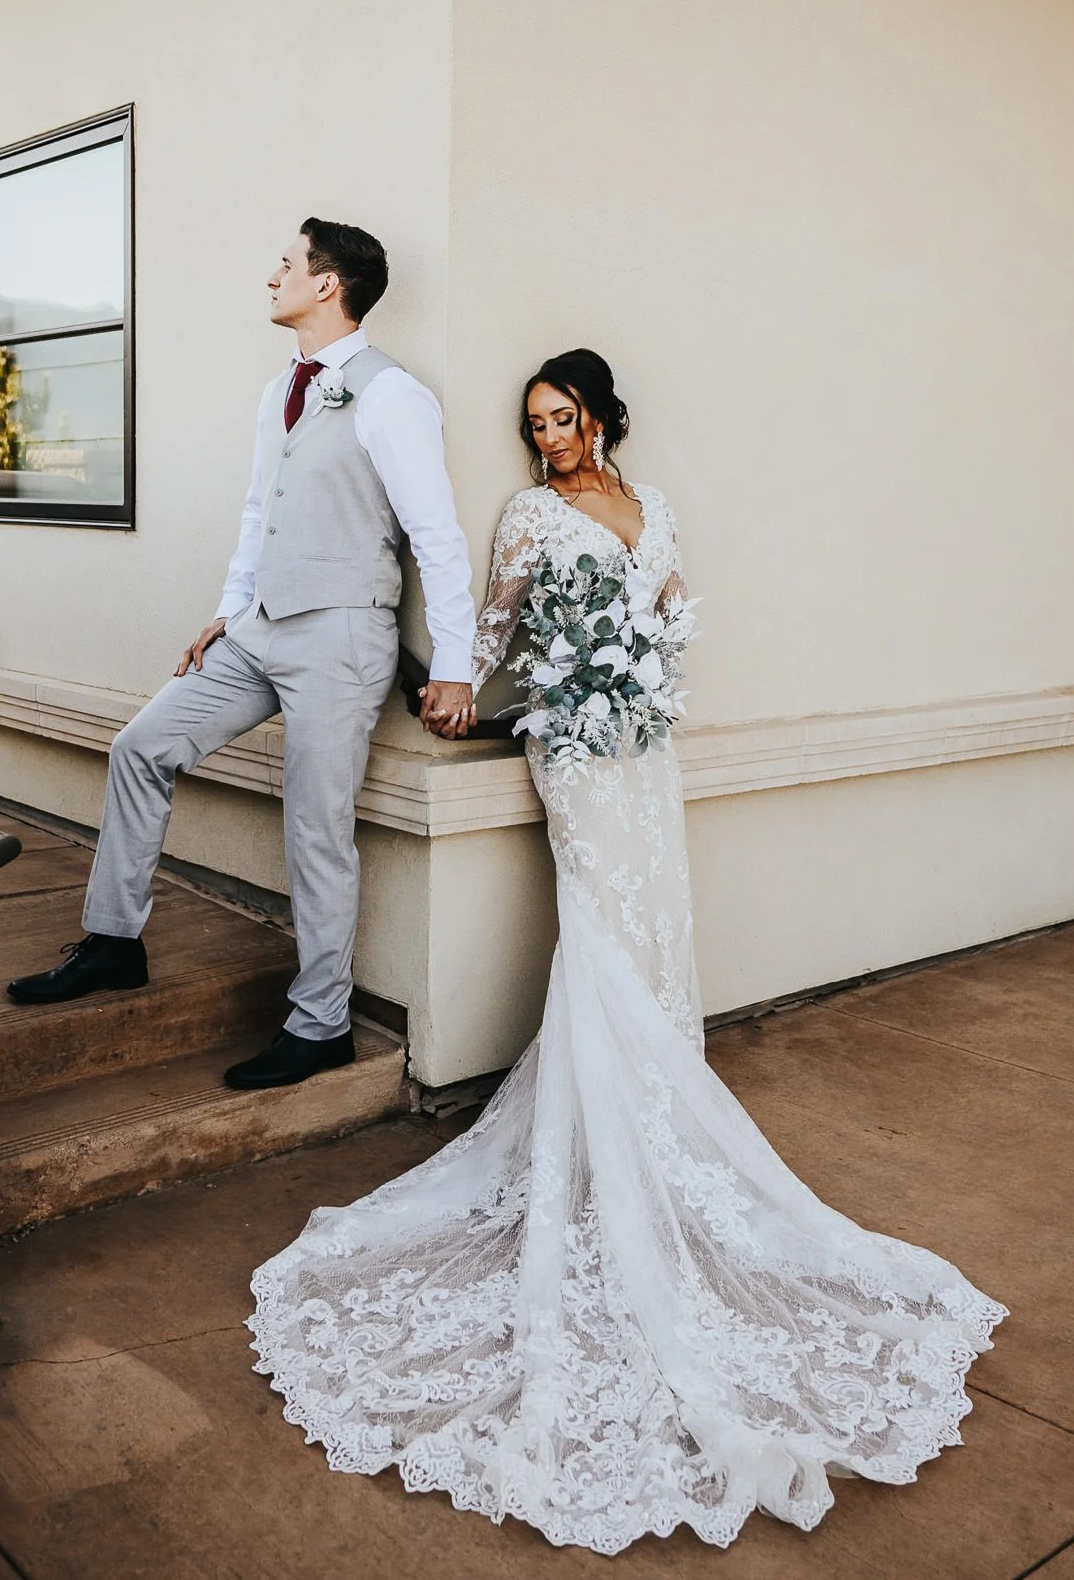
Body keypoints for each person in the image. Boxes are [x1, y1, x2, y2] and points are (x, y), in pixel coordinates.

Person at [246, 350, 1006, 1554]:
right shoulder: (528, 514)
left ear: (601, 416)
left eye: (562, 418)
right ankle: (602, 1147)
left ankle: (656, 1121)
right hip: (570, 752)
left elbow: (669, 619)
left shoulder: (654, 510)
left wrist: (640, 681)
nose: (546, 438)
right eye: (534, 423)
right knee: (599, 925)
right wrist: (455, 686)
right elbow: (492, 626)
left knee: (652, 927)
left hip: (643, 749)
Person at [5, 219, 479, 1090]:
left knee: (317, 831)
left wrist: (455, 665)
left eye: (288, 265)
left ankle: (321, 1024)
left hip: (341, 635)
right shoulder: (280, 394)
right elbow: (260, 510)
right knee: (141, 746)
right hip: (259, 625)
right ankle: (113, 942)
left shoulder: (389, 395)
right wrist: (229, 611)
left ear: (329, 284)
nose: (274, 277)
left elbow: (437, 538)